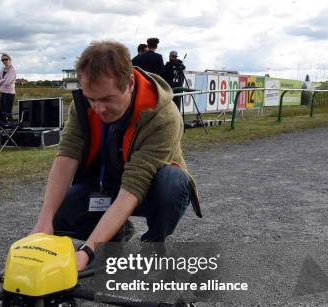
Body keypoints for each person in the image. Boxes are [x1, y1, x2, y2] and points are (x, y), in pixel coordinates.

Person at [31, 41, 201, 270]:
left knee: (172, 183)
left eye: (107, 99)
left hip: (150, 188)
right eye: (92, 98)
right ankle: (114, 235)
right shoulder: (83, 104)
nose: (98, 108)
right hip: (108, 184)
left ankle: (154, 243)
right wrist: (44, 221)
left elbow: (134, 186)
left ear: (129, 84)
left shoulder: (164, 116)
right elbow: (66, 156)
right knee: (59, 213)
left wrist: (88, 251)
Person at [0, 53, 16, 120]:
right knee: (2, 111)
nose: (4, 61)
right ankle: (3, 128)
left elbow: (7, 82)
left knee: (8, 112)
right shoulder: (2, 69)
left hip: (9, 93)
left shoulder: (12, 70)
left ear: (9, 60)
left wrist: (0, 81)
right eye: (2, 60)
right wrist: (1, 81)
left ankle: (12, 127)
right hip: (2, 92)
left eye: (6, 59)